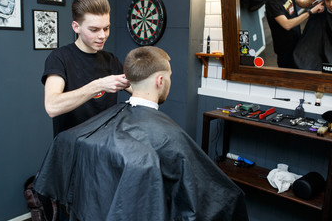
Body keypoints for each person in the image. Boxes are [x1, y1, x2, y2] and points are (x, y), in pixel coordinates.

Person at [34, 46, 249, 221]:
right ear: (160, 81)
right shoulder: (167, 139)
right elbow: (214, 197)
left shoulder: (76, 137)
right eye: (169, 76)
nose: (102, 35)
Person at [42, 0, 131, 137]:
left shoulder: (111, 60)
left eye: (106, 28)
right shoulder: (59, 58)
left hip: (104, 149)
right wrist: (99, 85)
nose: (102, 35)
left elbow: (141, 90)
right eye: (94, 30)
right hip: (73, 150)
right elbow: (52, 106)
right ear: (76, 27)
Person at [265, 0, 325, 68]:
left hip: (296, 42)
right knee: (289, 77)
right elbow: (286, 24)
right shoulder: (272, 2)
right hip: (284, 49)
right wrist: (310, 12)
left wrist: (313, 0)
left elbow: (303, 3)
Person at [293, 0, 332, 70]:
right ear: (323, 1)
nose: (331, 4)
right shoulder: (318, 17)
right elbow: (307, 43)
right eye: (328, 0)